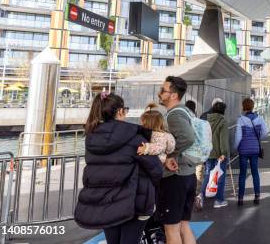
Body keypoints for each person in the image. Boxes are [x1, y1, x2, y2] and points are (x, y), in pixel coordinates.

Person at [75, 93, 162, 244]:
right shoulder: (135, 137)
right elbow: (156, 171)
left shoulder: (92, 138)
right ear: (120, 111)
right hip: (134, 202)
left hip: (104, 203)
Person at [157, 76, 198, 244]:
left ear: (173, 95)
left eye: (163, 91)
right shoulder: (186, 112)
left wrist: (169, 156)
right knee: (183, 225)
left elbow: (187, 138)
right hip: (188, 174)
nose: (159, 94)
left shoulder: (173, 116)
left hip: (175, 177)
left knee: (171, 229)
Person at [234, 98, 269, 206]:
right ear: (253, 106)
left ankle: (240, 199)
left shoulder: (240, 120)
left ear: (243, 106)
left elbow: (238, 137)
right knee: (255, 173)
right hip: (255, 149)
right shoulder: (259, 118)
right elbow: (265, 132)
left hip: (243, 150)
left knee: (242, 174)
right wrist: (258, 138)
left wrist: (235, 147)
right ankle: (257, 196)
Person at [201, 100, 230, 208]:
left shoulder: (206, 120)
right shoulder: (222, 121)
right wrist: (224, 153)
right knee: (220, 176)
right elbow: (223, 139)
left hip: (208, 152)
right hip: (219, 154)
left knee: (207, 175)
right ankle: (219, 200)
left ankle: (201, 196)